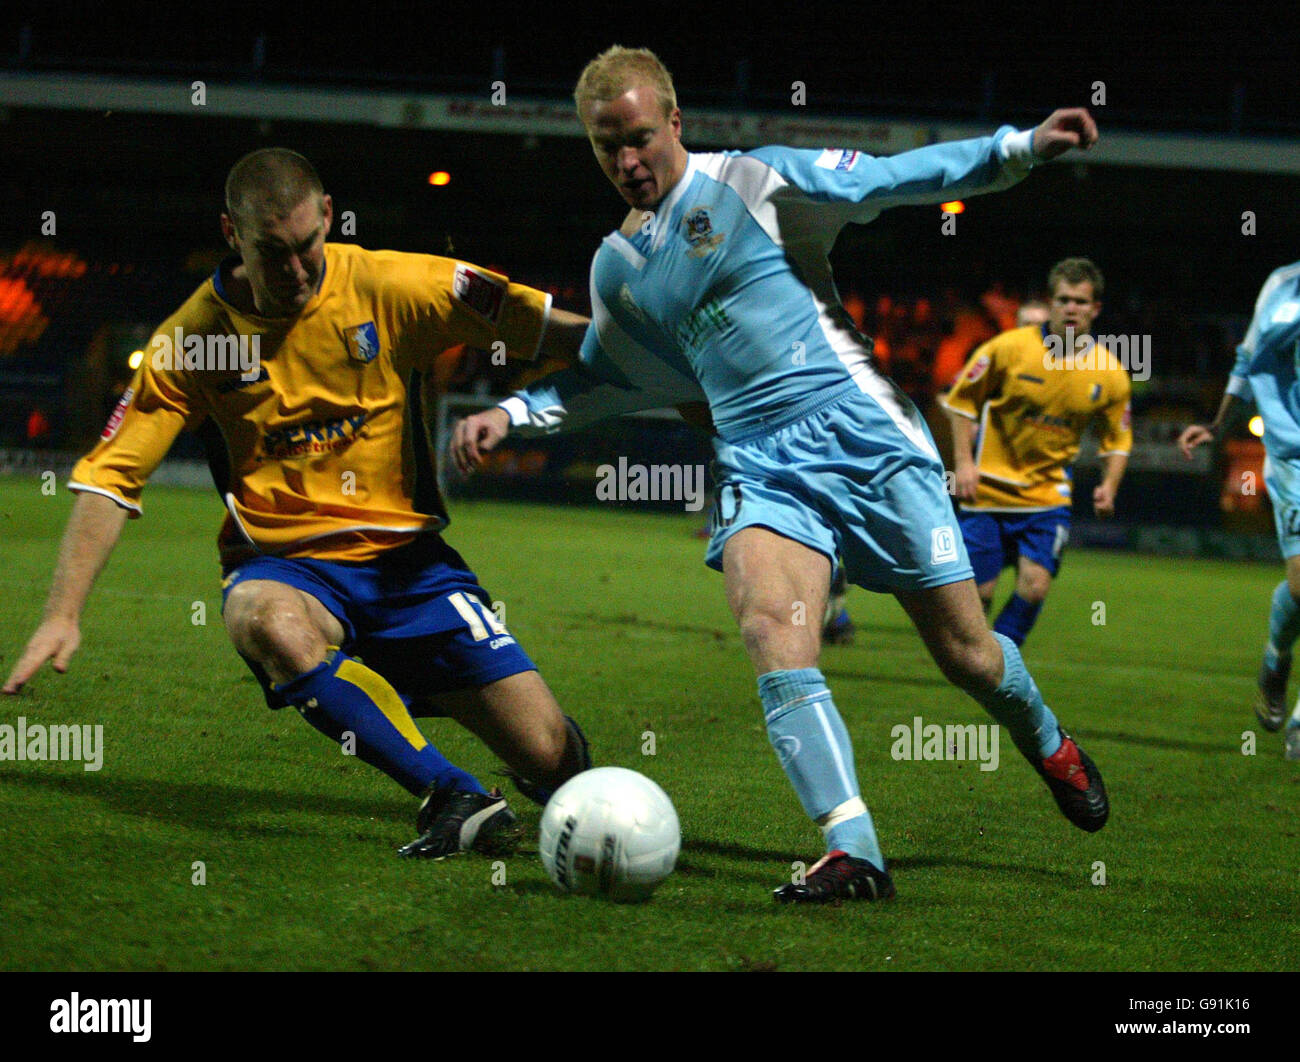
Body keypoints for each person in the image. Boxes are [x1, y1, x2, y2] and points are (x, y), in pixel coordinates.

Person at [452, 46, 1109, 903]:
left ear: (675, 122)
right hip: (761, 468)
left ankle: (1050, 741)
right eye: (606, 146)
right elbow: (607, 377)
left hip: (867, 441)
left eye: (642, 138)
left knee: (970, 655)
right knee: (771, 626)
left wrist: (1018, 147)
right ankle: (853, 849)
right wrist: (515, 414)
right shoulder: (616, 267)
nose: (627, 162)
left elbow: (895, 178)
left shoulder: (756, 182)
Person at [3, 147, 593, 856]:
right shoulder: (194, 339)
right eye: (271, 252)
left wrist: (673, 365)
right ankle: (453, 793)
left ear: (329, 219)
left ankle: (440, 705)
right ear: (232, 235)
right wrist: (62, 613)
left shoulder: (396, 284)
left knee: (551, 752)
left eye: (308, 246)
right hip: (290, 567)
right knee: (266, 621)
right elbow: (110, 477)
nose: (295, 270)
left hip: (410, 570)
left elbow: (552, 331)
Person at [942, 258, 1131, 646]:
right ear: (1051, 303)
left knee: (1035, 587)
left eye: (1080, 301)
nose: (1071, 308)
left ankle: (1003, 662)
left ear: (1095, 308)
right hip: (988, 492)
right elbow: (961, 402)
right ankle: (979, 663)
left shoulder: (1110, 372)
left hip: (1046, 496)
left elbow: (1118, 439)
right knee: (978, 596)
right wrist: (963, 463)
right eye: (1063, 299)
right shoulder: (1008, 348)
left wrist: (1109, 485)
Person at [1179, 258, 1300, 760]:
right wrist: (1218, 424)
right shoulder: (1282, 285)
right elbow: (1248, 360)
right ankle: (1276, 657)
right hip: (1295, 456)